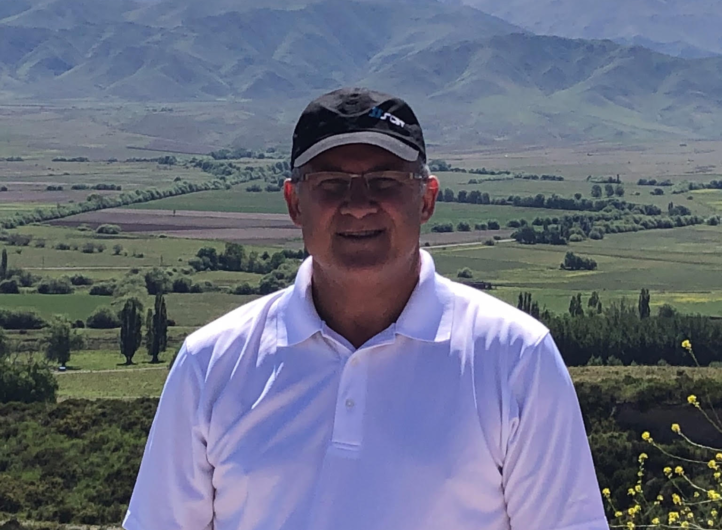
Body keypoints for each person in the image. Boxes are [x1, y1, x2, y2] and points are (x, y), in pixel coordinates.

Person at [123, 87, 609, 530]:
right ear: (294, 203)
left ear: (427, 199)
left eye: (385, 181)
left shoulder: (515, 358)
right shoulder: (210, 363)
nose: (358, 204)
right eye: (331, 183)